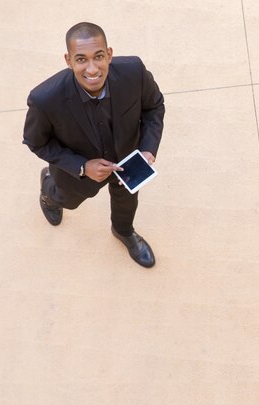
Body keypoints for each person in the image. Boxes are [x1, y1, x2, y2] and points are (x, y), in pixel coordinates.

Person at [23, 22, 165, 268]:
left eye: (98, 57)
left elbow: (154, 106)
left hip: (128, 164)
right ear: (68, 60)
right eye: (81, 59)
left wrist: (147, 149)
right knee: (66, 199)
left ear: (109, 54)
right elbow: (36, 142)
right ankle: (48, 192)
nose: (92, 68)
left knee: (127, 203)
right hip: (77, 175)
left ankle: (124, 231)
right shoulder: (44, 99)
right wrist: (81, 167)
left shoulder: (134, 72)